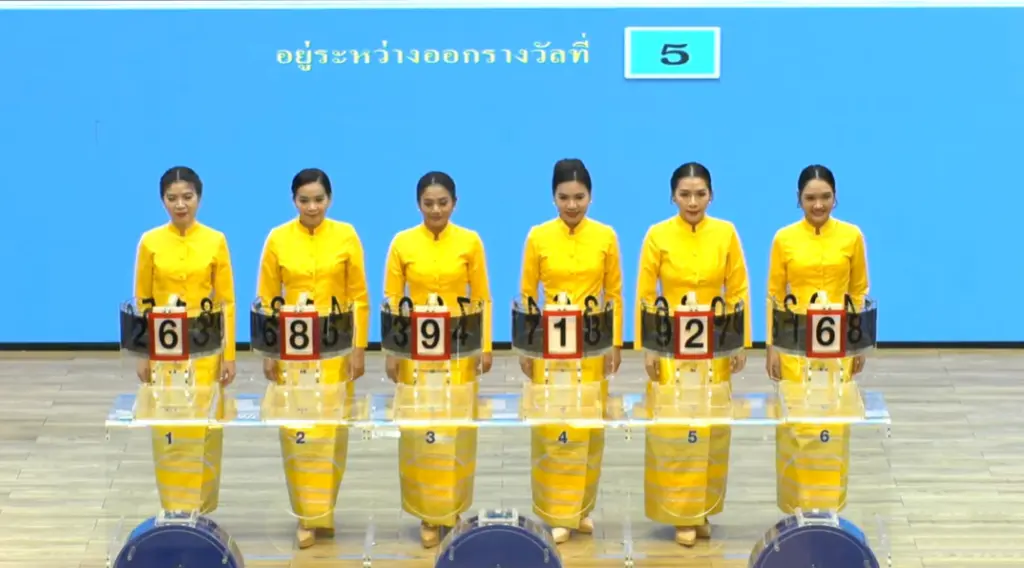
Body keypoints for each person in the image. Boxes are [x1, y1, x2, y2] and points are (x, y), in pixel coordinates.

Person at [634, 162, 751, 546]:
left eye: (700, 194)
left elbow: (738, 289)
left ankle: (704, 509)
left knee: (712, 428)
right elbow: (646, 294)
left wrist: (739, 341)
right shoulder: (657, 235)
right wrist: (649, 347)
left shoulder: (726, 232)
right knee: (675, 428)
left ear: (711, 195)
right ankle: (680, 514)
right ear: (673, 197)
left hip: (714, 345)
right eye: (685, 194)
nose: (693, 201)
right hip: (671, 345)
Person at [256, 168, 369, 549]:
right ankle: (305, 515)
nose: (312, 207)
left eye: (319, 199)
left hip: (336, 349)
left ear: (330, 200)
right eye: (304, 200)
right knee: (298, 432)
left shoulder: (346, 235)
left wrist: (359, 347)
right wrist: (269, 350)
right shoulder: (277, 238)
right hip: (292, 351)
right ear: (294, 201)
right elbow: (267, 297)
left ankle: (325, 511)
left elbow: (359, 296)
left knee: (331, 431)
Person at [383, 171, 493, 548]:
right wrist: (392, 352)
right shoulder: (402, 243)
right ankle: (427, 514)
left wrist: (485, 346)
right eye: (428, 203)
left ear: (455, 204)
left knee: (456, 430)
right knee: (420, 432)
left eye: (442, 203)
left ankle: (453, 509)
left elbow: (481, 296)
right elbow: (393, 301)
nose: (435, 210)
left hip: (459, 349)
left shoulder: (470, 241)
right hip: (415, 352)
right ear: (418, 205)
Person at [518, 158, 623, 544]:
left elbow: (614, 294)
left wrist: (614, 342)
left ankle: (581, 509)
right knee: (554, 429)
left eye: (579, 197)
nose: (572, 205)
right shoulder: (538, 236)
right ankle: (556, 511)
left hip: (592, 344)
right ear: (553, 198)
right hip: (550, 346)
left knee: (589, 428)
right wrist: (527, 346)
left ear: (591, 197)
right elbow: (528, 294)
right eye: (564, 197)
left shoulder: (606, 236)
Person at [133, 166, 237, 516]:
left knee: (204, 427)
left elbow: (226, 301)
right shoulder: (150, 242)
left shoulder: (215, 240)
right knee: (168, 427)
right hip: (163, 351)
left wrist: (229, 354)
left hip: (205, 348)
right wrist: (143, 353)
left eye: (187, 197)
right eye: (172, 198)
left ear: (199, 198)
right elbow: (143, 301)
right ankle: (173, 510)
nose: (181, 205)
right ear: (162, 200)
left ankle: (202, 513)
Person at [765, 164, 869, 514]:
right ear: (799, 199)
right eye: (810, 198)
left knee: (833, 424)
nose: (819, 204)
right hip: (795, 345)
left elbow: (858, 290)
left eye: (826, 197)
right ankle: (796, 508)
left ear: (836, 198)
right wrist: (772, 346)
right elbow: (775, 295)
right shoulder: (784, 238)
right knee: (798, 423)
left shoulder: (852, 236)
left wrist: (858, 341)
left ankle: (830, 510)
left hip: (838, 346)